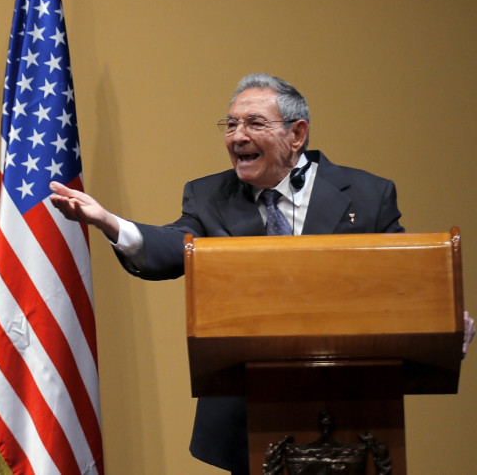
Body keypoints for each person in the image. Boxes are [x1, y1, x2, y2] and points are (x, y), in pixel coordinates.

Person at [49, 73, 473, 474]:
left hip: (353, 403)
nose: (237, 136)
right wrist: (110, 222)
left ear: (297, 133)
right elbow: (176, 246)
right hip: (247, 416)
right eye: (230, 124)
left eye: (254, 122)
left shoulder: (367, 192)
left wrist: (446, 318)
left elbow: (402, 274)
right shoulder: (209, 195)